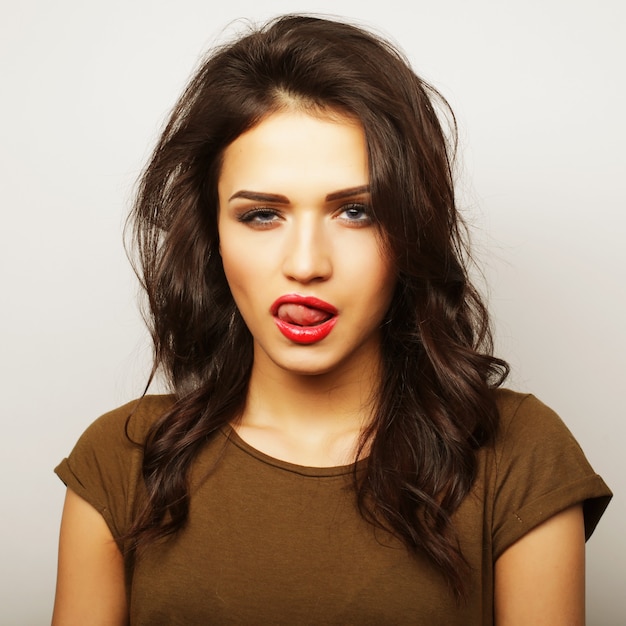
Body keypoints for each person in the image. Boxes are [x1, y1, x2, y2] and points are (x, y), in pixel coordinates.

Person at [51, 14, 611, 625]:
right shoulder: (124, 459)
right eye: (262, 215)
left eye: (356, 212)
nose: (306, 264)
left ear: (410, 229)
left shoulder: (518, 454)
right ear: (211, 235)